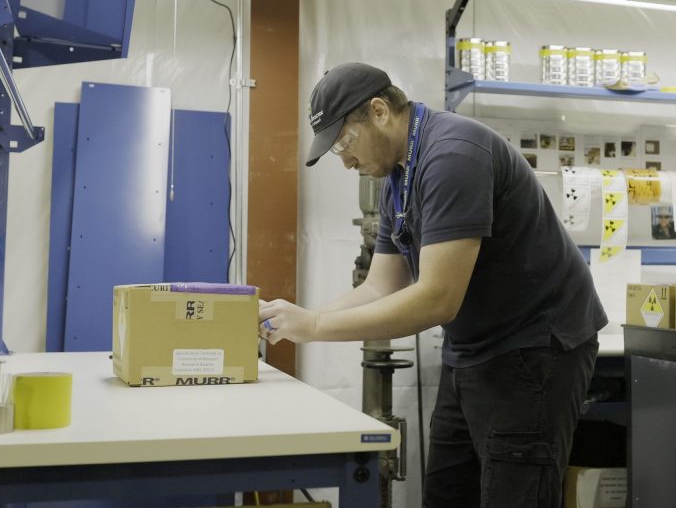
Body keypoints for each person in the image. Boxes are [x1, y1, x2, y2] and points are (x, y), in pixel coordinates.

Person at [258, 63, 607, 507]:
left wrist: (315, 329)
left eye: (344, 142)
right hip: (474, 348)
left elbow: (437, 299)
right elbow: (380, 287)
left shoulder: (453, 156)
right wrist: (301, 318)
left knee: (515, 494)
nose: (344, 160)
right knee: (447, 492)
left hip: (535, 348)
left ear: (380, 111)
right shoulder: (397, 178)